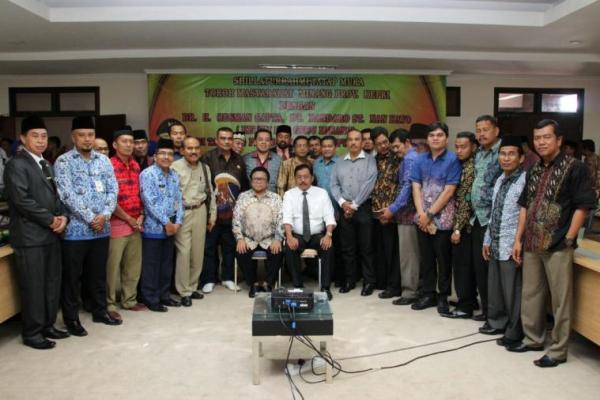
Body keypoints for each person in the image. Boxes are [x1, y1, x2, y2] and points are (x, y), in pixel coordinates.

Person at [509, 120, 596, 368]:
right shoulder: (534, 169)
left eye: (546, 137)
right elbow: (525, 205)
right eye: (537, 138)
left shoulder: (575, 168)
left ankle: (558, 350)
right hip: (532, 242)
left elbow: (583, 205)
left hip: (558, 244)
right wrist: (518, 239)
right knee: (531, 294)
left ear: (558, 140)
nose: (541, 142)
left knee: (560, 300)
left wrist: (569, 238)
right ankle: (533, 339)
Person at [4, 116, 69, 349]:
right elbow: (22, 200)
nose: (41, 140)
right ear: (23, 138)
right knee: (33, 285)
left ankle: (48, 325)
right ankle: (32, 332)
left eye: (43, 136)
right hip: (30, 237)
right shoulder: (16, 165)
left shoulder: (46, 163)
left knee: (52, 283)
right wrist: (51, 220)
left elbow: (57, 196)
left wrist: (63, 217)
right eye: (35, 136)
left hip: (52, 235)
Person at [54, 116, 121, 336]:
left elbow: (113, 189)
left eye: (90, 134)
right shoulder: (64, 162)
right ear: (73, 137)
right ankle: (71, 319)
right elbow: (66, 194)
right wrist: (91, 217)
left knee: (98, 275)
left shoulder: (103, 161)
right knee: (72, 278)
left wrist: (105, 214)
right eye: (81, 135)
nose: (87, 139)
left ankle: (100, 311)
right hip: (76, 231)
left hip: (102, 230)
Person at [480, 135, 527, 348]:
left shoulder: (524, 180)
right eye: (503, 154)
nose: (506, 158)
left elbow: (524, 214)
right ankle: (497, 322)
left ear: (521, 158)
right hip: (495, 239)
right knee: (496, 286)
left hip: (511, 243)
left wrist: (518, 241)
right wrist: (487, 238)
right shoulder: (500, 179)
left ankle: (514, 330)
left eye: (511, 154)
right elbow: (494, 211)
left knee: (512, 289)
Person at [410, 122, 461, 314]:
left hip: (443, 220)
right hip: (422, 219)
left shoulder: (453, 160)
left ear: (446, 138)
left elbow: (449, 191)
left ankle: (443, 296)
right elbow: (416, 187)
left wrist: (430, 214)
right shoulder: (419, 160)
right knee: (427, 259)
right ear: (427, 139)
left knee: (443, 260)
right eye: (432, 135)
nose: (435, 138)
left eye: (439, 135)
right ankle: (428, 294)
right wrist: (421, 214)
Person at [200, 127, 249, 293]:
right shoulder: (207, 158)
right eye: (223, 138)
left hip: (232, 213)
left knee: (229, 246)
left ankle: (227, 278)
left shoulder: (239, 159)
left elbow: (244, 186)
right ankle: (209, 279)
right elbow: (204, 186)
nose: (227, 141)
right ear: (216, 140)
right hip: (213, 213)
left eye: (229, 138)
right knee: (209, 247)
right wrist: (209, 211)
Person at [139, 138, 184, 312]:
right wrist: (166, 222)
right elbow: (149, 202)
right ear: (155, 156)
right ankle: (150, 298)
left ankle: (164, 295)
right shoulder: (147, 174)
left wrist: (178, 222)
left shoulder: (174, 175)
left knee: (166, 264)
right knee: (152, 265)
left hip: (171, 229)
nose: (166, 157)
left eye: (170, 154)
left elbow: (179, 200)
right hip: (154, 228)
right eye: (162, 153)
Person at [330, 129, 377, 295]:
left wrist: (354, 205)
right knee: (347, 248)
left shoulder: (370, 160)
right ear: (346, 143)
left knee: (366, 247)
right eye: (350, 139)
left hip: (363, 208)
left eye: (357, 139)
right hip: (344, 208)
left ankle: (369, 282)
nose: (354, 142)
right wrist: (343, 203)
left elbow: (369, 184)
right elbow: (333, 184)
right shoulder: (339, 162)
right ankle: (350, 280)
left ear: (362, 142)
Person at [171, 136, 216, 306]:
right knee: (184, 252)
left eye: (196, 148)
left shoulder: (205, 167)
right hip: (182, 213)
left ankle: (192, 286)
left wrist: (212, 214)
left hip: (200, 210)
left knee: (198, 252)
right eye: (189, 148)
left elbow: (210, 192)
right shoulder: (174, 167)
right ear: (182, 150)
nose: (193, 151)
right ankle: (183, 291)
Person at [105, 129, 145, 318]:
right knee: (112, 267)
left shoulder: (136, 165)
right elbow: (109, 199)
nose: (129, 145)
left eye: (131, 141)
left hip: (136, 223)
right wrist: (128, 218)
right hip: (116, 223)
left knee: (132, 265)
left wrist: (141, 215)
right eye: (124, 141)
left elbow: (140, 193)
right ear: (115, 144)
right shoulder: (109, 165)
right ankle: (110, 304)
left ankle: (129, 300)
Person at [283, 164, 336, 300]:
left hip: (317, 235)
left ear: (312, 178)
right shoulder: (289, 194)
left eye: (306, 177)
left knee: (328, 246)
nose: (303, 180)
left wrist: (328, 235)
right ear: (295, 179)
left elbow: (329, 216)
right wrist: (289, 236)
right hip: (297, 235)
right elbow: (287, 217)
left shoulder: (322, 193)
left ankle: (325, 287)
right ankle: (298, 287)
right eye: (299, 177)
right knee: (289, 246)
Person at [381, 128, 420, 305]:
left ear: (407, 142)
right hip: (407, 213)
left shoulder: (410, 159)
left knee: (408, 255)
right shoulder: (412, 157)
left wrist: (393, 208)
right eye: (393, 148)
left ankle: (410, 293)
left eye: (397, 146)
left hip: (408, 214)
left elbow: (407, 187)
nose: (395, 150)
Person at [470, 115, 503, 321]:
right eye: (478, 130)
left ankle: (495, 313)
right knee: (480, 268)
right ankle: (486, 310)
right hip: (477, 219)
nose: (481, 134)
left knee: (493, 271)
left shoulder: (503, 152)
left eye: (485, 129)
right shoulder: (479, 154)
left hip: (494, 220)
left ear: (496, 131)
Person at [233, 167, 284, 298]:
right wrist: (240, 238)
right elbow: (236, 219)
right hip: (248, 238)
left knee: (277, 252)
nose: (258, 181)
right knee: (241, 251)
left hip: (269, 238)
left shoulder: (276, 198)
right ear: (251, 181)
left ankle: (268, 284)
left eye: (261, 179)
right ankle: (253, 284)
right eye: (255, 179)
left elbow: (281, 220)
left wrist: (278, 239)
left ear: (267, 182)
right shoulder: (243, 197)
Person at [444, 131, 478, 318]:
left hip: (465, 225)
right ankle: (469, 300)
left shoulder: (470, 168)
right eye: (456, 147)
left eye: (463, 147)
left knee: (462, 267)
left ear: (473, 147)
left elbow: (466, 201)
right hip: (465, 223)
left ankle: (465, 306)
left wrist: (457, 228)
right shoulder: (462, 164)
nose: (459, 150)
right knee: (466, 266)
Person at [370, 127, 400, 296]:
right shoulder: (372, 161)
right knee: (379, 250)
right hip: (375, 213)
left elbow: (400, 186)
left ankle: (394, 286)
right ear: (374, 145)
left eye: (385, 142)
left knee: (392, 251)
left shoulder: (397, 158)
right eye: (379, 144)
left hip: (392, 213)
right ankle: (382, 282)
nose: (383, 146)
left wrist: (391, 210)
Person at [313, 135, 343, 285]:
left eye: (330, 146)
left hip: (339, 208)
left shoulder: (342, 163)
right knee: (325, 245)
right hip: (320, 211)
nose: (326, 149)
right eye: (324, 146)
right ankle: (325, 275)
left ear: (335, 147)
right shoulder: (316, 164)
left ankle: (339, 276)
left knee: (339, 244)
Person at [243, 128, 282, 193]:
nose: (263, 142)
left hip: (272, 198)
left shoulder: (279, 160)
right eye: (260, 139)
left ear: (271, 142)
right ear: (255, 142)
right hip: (250, 198)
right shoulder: (245, 159)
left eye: (267, 140)